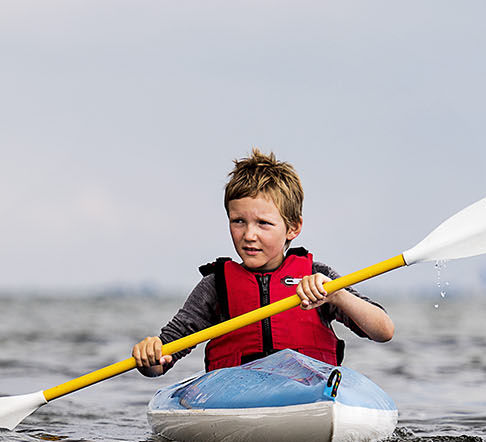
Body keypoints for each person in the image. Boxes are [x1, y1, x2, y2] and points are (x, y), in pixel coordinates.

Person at [132, 149, 394, 377]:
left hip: (308, 393)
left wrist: (337, 295)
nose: (249, 235)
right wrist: (149, 356)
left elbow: (384, 331)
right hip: (236, 398)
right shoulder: (216, 286)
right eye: (238, 221)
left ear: (293, 228)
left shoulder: (318, 278)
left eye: (263, 224)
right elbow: (160, 362)